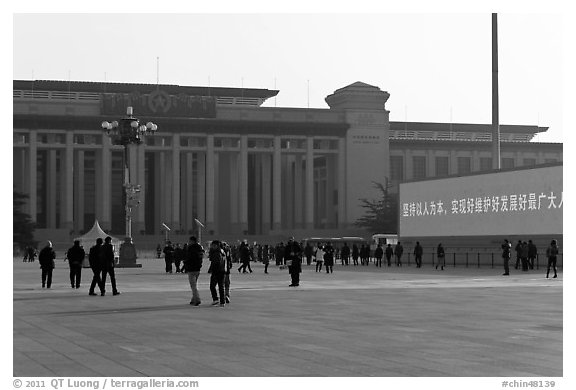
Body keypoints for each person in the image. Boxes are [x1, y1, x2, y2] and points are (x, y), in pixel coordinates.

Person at [184, 236, 204, 306]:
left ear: (192, 241)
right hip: (197, 269)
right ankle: (193, 299)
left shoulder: (191, 248)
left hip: (191, 269)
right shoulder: (200, 248)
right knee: (194, 284)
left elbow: (189, 258)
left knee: (193, 286)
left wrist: (186, 264)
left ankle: (197, 299)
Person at [208, 240, 226, 307]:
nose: (212, 247)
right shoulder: (222, 251)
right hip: (222, 271)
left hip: (217, 271)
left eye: (213, 245)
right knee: (221, 287)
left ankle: (215, 299)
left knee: (212, 286)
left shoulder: (216, 253)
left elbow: (215, 263)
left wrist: (212, 270)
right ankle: (222, 301)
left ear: (216, 245)